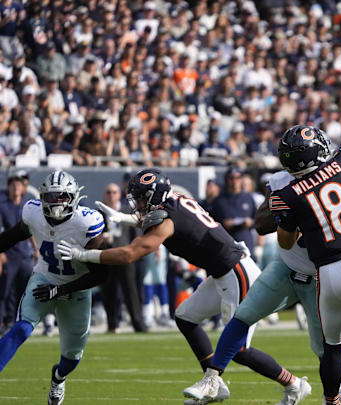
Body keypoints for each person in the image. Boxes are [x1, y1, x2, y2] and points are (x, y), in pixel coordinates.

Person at [188, 77, 341, 405]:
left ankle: (333, 400)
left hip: (325, 277)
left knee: (332, 349)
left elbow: (285, 241)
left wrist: (291, 218)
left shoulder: (287, 194)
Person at [57, 169, 308, 405]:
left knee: (239, 349)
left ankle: (293, 385)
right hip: (224, 273)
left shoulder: (166, 220)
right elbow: (155, 219)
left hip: (236, 272)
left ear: (154, 196)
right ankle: (217, 384)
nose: (138, 205)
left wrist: (84, 255)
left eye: (141, 199)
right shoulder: (175, 201)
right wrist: (125, 219)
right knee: (185, 317)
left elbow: (131, 253)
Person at [0, 170, 109, 405]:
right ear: (42, 197)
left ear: (74, 197)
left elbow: (102, 274)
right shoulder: (33, 213)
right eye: (51, 197)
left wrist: (60, 291)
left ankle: (58, 378)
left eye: (62, 196)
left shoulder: (86, 222)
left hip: (76, 288)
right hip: (44, 279)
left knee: (72, 356)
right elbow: (12, 237)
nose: (56, 202)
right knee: (21, 328)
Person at [97, 183, 146, 333]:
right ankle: (112, 324)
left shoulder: (127, 210)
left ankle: (138, 324)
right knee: (108, 291)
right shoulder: (98, 213)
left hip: (125, 255)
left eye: (114, 192)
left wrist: (134, 252)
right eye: (108, 192)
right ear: (104, 195)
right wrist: (102, 238)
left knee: (131, 291)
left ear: (119, 194)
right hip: (106, 255)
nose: (111, 195)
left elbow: (136, 234)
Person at [0, 170, 35, 334]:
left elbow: (31, 230)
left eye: (18, 185)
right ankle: (4, 321)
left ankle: (19, 321)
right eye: (13, 185)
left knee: (25, 290)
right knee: (5, 290)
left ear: (23, 188)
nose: (15, 188)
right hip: (9, 254)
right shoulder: (3, 206)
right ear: (8, 187)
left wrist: (36, 249)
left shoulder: (27, 206)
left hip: (24, 254)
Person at [210, 168, 257, 255]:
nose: (234, 181)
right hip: (226, 244)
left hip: (245, 241)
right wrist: (223, 224)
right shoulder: (219, 200)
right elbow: (211, 223)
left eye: (237, 178)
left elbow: (256, 219)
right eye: (231, 178)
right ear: (226, 180)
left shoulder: (248, 198)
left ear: (241, 179)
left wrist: (249, 222)